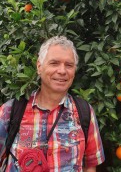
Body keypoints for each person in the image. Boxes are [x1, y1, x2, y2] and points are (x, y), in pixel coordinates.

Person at [0, 36, 105, 172]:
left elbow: (90, 165)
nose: (62, 71)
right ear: (39, 67)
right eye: (54, 63)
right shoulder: (11, 110)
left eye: (69, 65)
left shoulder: (84, 112)